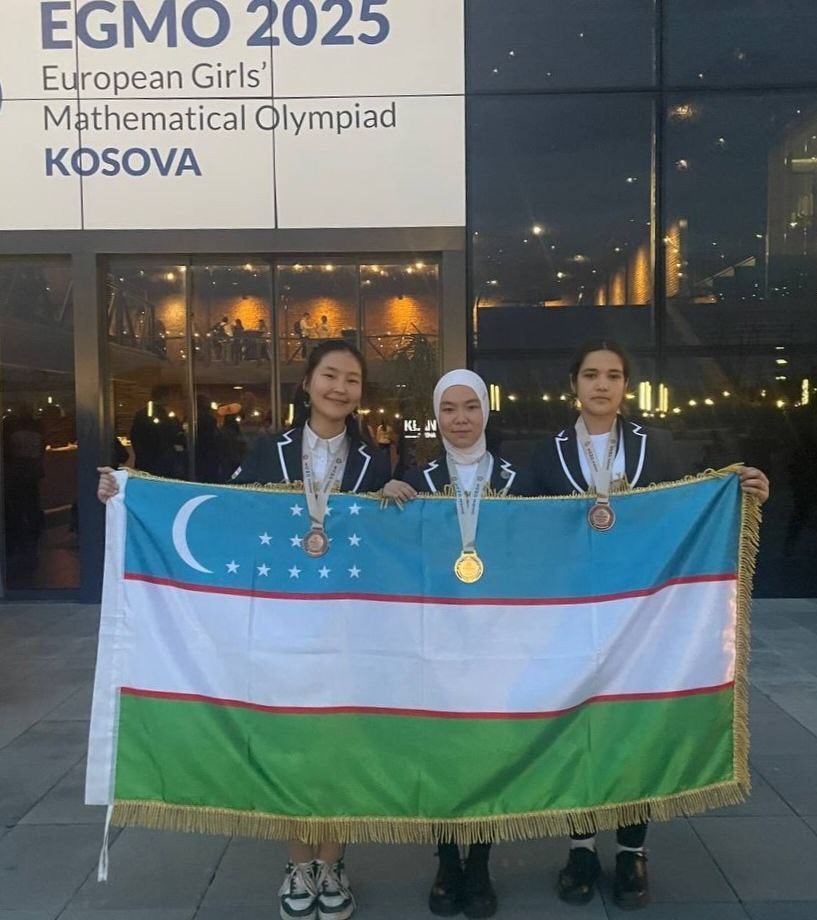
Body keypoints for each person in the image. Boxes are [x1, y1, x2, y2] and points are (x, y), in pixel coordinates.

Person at [98, 340, 390, 920]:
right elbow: (222, 506)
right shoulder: (267, 449)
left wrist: (395, 497)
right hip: (281, 621)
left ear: (360, 393)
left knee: (338, 744)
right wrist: (130, 491)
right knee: (289, 742)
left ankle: (333, 860)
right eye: (330, 375)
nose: (340, 388)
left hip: (345, 624)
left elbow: (386, 539)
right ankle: (298, 863)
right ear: (307, 383)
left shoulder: (373, 461)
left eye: (352, 379)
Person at [526, 340, 769, 911]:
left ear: (625, 386)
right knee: (581, 728)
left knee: (633, 728)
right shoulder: (545, 452)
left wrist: (742, 492)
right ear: (573, 384)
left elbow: (692, 504)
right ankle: (581, 848)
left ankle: (632, 849)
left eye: (613, 375)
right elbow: (523, 526)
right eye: (591, 374)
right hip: (572, 617)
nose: (601, 384)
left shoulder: (656, 444)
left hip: (642, 617)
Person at [382, 369, 522, 919]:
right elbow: (392, 547)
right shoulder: (416, 479)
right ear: (436, 416)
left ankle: (480, 861)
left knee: (487, 748)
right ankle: (446, 860)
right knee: (438, 748)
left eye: (470, 407)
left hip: (497, 634)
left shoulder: (518, 478)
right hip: (436, 636)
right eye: (449, 409)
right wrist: (383, 496)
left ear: (485, 411)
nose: (460, 419)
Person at [128, 385, 187, 479]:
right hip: (163, 463)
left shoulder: (142, 414)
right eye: (170, 396)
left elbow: (135, 437)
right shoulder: (164, 415)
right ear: (163, 397)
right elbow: (174, 436)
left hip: (148, 462)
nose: (171, 399)